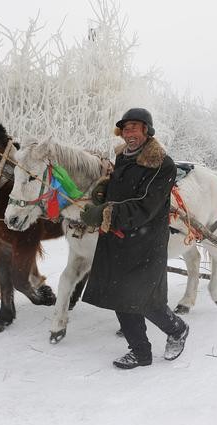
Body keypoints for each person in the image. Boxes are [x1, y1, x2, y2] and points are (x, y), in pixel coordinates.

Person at [79, 108, 189, 369]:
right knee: (120, 296)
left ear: (147, 131)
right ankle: (140, 352)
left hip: (145, 240)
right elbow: (123, 189)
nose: (129, 133)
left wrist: (104, 213)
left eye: (135, 128)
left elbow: (144, 205)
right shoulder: (124, 157)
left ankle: (177, 330)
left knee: (145, 299)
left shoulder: (161, 164)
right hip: (118, 239)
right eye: (125, 128)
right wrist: (103, 192)